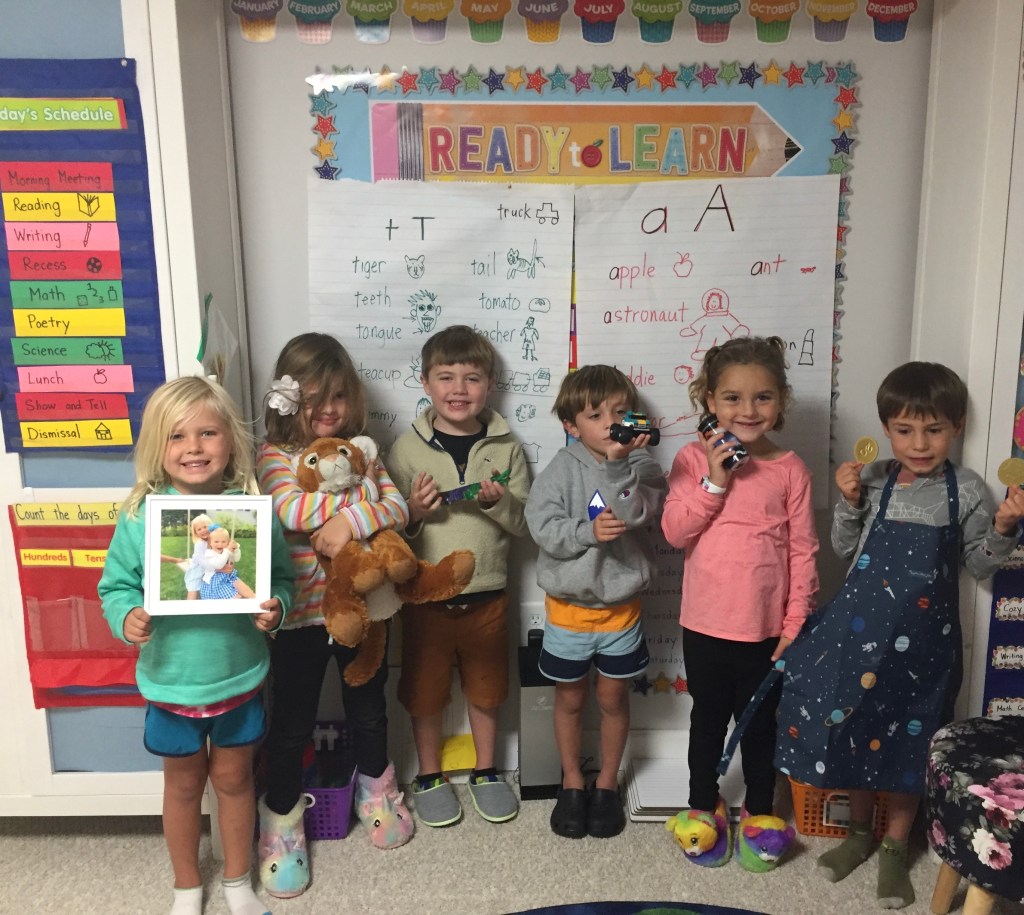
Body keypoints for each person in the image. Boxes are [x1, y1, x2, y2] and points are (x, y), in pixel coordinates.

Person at [775, 361, 1024, 909]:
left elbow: (980, 565)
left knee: (911, 749)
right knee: (857, 735)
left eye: (934, 429)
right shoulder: (873, 477)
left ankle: (894, 849)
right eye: (905, 430)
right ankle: (859, 835)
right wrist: (848, 503)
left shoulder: (967, 489)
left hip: (927, 650)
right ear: (886, 428)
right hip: (859, 641)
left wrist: (1004, 528)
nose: (919, 443)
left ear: (956, 426)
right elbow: (844, 550)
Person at [98, 376, 294, 915]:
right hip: (171, 681)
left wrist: (276, 609)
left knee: (234, 781)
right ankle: (186, 886)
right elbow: (115, 586)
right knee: (183, 787)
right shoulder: (140, 515)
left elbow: (281, 581)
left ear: (230, 438)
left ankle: (237, 881)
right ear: (157, 446)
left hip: (238, 676)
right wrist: (126, 616)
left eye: (207, 432)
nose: (194, 447)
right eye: (177, 436)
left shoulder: (251, 511)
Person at [256, 332, 413, 898]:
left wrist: (350, 522)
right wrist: (361, 504)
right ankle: (281, 820)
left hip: (363, 611)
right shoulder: (274, 456)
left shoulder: (361, 452)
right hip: (298, 616)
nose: (328, 409)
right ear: (288, 400)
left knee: (369, 710)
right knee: (291, 722)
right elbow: (289, 508)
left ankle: (377, 792)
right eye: (314, 398)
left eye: (339, 396)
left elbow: (398, 506)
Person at [661, 336, 819, 858]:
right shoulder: (691, 459)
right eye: (732, 397)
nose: (748, 410)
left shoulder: (791, 469)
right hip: (705, 624)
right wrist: (715, 479)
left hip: (767, 631)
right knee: (707, 722)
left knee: (759, 728)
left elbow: (804, 552)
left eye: (762, 397)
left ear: (781, 400)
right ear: (709, 400)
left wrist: (795, 624)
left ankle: (760, 811)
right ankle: (701, 806)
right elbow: (675, 532)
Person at [387, 324, 530, 828]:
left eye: (471, 378)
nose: (458, 389)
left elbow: (523, 524)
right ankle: (429, 775)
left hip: (488, 595)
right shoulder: (406, 449)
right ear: (425, 382)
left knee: (487, 690)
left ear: (489, 384)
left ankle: (486, 771)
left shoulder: (507, 447)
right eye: (446, 377)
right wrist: (414, 512)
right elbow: (389, 531)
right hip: (424, 597)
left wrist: (499, 503)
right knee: (425, 692)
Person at [525, 365, 667, 839]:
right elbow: (542, 527)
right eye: (595, 415)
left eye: (620, 413)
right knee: (569, 698)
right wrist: (586, 532)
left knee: (612, 697)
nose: (610, 423)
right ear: (571, 424)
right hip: (568, 610)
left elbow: (637, 512)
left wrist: (617, 463)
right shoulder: (560, 469)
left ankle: (606, 783)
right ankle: (571, 781)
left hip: (621, 611)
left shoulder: (643, 465)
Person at [198, 525, 254, 600]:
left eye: (223, 541)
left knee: (246, 590)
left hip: (229, 576)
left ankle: (253, 598)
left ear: (228, 542)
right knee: (232, 598)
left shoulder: (226, 551)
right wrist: (227, 551)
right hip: (215, 581)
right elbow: (219, 565)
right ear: (210, 543)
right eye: (216, 542)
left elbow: (236, 559)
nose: (220, 544)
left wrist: (236, 550)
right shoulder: (209, 554)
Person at [183, 513, 211, 599]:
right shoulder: (199, 544)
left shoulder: (213, 540)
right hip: (197, 569)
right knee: (193, 586)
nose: (203, 530)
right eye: (199, 529)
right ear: (196, 533)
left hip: (207, 568)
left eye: (205, 527)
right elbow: (201, 561)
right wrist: (213, 568)